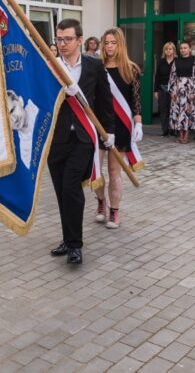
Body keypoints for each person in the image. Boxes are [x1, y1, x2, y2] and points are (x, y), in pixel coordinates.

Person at [48, 19, 114, 265]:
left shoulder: (94, 66)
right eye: (59, 39)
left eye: (67, 39)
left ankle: (75, 245)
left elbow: (105, 102)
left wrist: (110, 132)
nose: (62, 44)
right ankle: (67, 238)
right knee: (60, 191)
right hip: (57, 138)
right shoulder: (51, 66)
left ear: (79, 40)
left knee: (71, 188)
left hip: (84, 138)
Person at [95, 27, 141, 230]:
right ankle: (100, 202)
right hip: (98, 124)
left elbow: (135, 101)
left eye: (113, 43)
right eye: (106, 43)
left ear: (120, 44)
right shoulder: (96, 67)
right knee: (95, 170)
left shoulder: (131, 69)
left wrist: (138, 123)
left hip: (121, 126)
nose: (109, 46)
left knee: (114, 172)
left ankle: (114, 211)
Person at [169, 41, 195, 144]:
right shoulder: (176, 61)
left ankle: (186, 135)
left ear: (190, 49)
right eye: (181, 48)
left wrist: (194, 92)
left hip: (189, 90)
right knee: (178, 113)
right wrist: (172, 90)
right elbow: (172, 76)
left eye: (185, 48)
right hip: (178, 90)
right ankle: (180, 134)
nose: (183, 50)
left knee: (187, 113)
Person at [154, 42, 176, 137]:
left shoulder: (177, 61)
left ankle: (173, 129)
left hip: (174, 89)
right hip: (162, 88)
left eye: (170, 49)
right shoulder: (161, 62)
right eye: (166, 49)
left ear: (174, 50)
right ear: (164, 51)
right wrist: (155, 90)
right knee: (163, 109)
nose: (168, 51)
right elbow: (157, 76)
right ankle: (165, 130)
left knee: (173, 109)